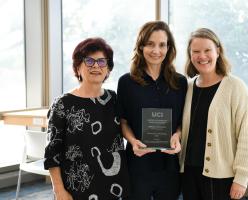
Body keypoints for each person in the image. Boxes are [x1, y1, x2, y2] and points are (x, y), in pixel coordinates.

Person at [44, 37, 130, 200]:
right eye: (89, 61)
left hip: (115, 185)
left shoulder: (113, 99)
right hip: (78, 187)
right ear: (78, 67)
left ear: (108, 69)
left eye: (102, 61)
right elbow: (51, 153)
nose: (96, 66)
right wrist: (59, 190)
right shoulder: (63, 103)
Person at [179, 28, 248, 200]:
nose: (202, 56)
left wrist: (242, 178)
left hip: (222, 177)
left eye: (207, 50)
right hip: (189, 173)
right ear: (190, 55)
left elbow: (247, 134)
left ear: (218, 51)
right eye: (196, 51)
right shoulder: (188, 87)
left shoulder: (235, 87)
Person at [117, 21, 187, 200]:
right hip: (137, 164)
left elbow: (181, 121)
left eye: (162, 45)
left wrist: (177, 136)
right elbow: (123, 121)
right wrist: (132, 141)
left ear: (169, 47)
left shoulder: (180, 82)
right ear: (140, 46)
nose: (156, 50)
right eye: (150, 44)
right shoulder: (126, 82)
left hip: (169, 164)